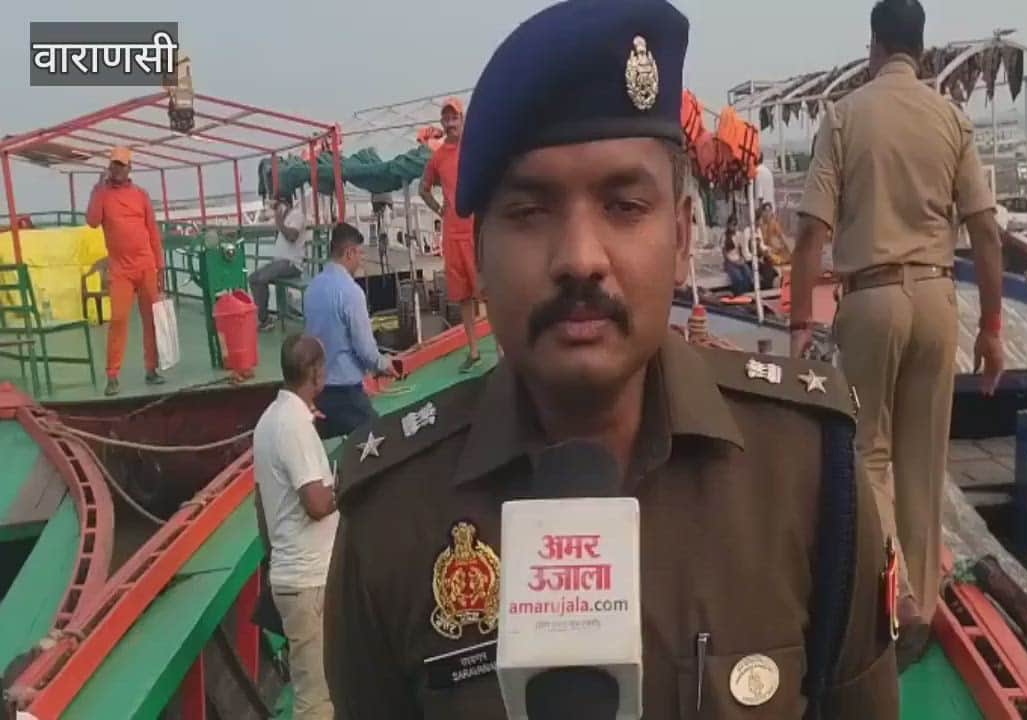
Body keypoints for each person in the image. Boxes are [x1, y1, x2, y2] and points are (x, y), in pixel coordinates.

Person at [324, 1, 899, 717]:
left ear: (682, 237)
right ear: (480, 251)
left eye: (624, 206)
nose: (580, 258)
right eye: (529, 212)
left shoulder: (806, 472)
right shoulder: (392, 516)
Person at [789, 0, 1005, 668]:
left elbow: (811, 233)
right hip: (938, 297)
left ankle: (898, 594)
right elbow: (986, 231)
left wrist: (799, 325)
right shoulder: (950, 118)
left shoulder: (844, 116)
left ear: (874, 47)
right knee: (924, 463)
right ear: (921, 49)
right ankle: (923, 610)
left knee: (868, 453)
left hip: (872, 297)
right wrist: (992, 329)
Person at [252, 334, 336, 720]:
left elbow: (260, 503)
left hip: (291, 576)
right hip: (309, 580)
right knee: (316, 699)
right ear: (315, 373)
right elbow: (316, 504)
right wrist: (346, 486)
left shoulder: (268, 421)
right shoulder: (294, 427)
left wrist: (274, 562)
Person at [303, 222, 402, 439]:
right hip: (346, 393)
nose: (361, 259)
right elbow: (365, 349)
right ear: (349, 253)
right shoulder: (351, 292)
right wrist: (384, 364)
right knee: (382, 439)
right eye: (359, 253)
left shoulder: (311, 289)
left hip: (318, 392)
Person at [86, 146, 167, 396]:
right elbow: (92, 221)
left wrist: (160, 266)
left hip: (145, 266)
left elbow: (153, 232)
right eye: (114, 164)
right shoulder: (102, 194)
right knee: (118, 320)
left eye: (122, 165)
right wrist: (96, 189)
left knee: (150, 320)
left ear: (130, 168)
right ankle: (112, 376)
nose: (117, 169)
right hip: (120, 270)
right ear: (109, 166)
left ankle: (151, 369)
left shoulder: (141, 195)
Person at [420, 97, 483, 372]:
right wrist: (439, 209)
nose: (450, 123)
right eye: (446, 118)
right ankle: (474, 350)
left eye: (454, 117)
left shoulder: (475, 148)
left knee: (487, 291)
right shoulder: (438, 157)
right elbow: (423, 189)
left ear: (462, 118)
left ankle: (503, 350)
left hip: (476, 231)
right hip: (451, 235)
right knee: (463, 296)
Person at [251, 194, 310, 331]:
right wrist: (279, 221)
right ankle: (263, 318)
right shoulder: (284, 218)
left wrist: (279, 223)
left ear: (285, 205)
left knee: (262, 278)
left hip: (291, 264)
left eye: (277, 206)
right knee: (253, 278)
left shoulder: (296, 215)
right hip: (279, 262)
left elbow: (292, 236)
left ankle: (264, 320)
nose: (275, 210)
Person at [722, 216, 754, 295]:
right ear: (728, 225)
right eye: (732, 225)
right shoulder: (724, 237)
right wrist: (733, 262)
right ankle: (738, 294)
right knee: (738, 278)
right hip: (730, 262)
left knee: (748, 274)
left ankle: (746, 294)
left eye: (735, 225)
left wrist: (742, 259)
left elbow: (741, 249)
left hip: (738, 259)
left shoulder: (739, 235)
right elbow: (725, 254)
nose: (734, 227)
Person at [758, 202, 792, 266]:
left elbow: (782, 237)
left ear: (771, 212)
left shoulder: (774, 223)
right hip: (764, 252)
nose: (767, 213)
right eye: (765, 211)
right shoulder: (759, 225)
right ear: (762, 212)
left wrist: (788, 249)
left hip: (774, 252)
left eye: (769, 211)